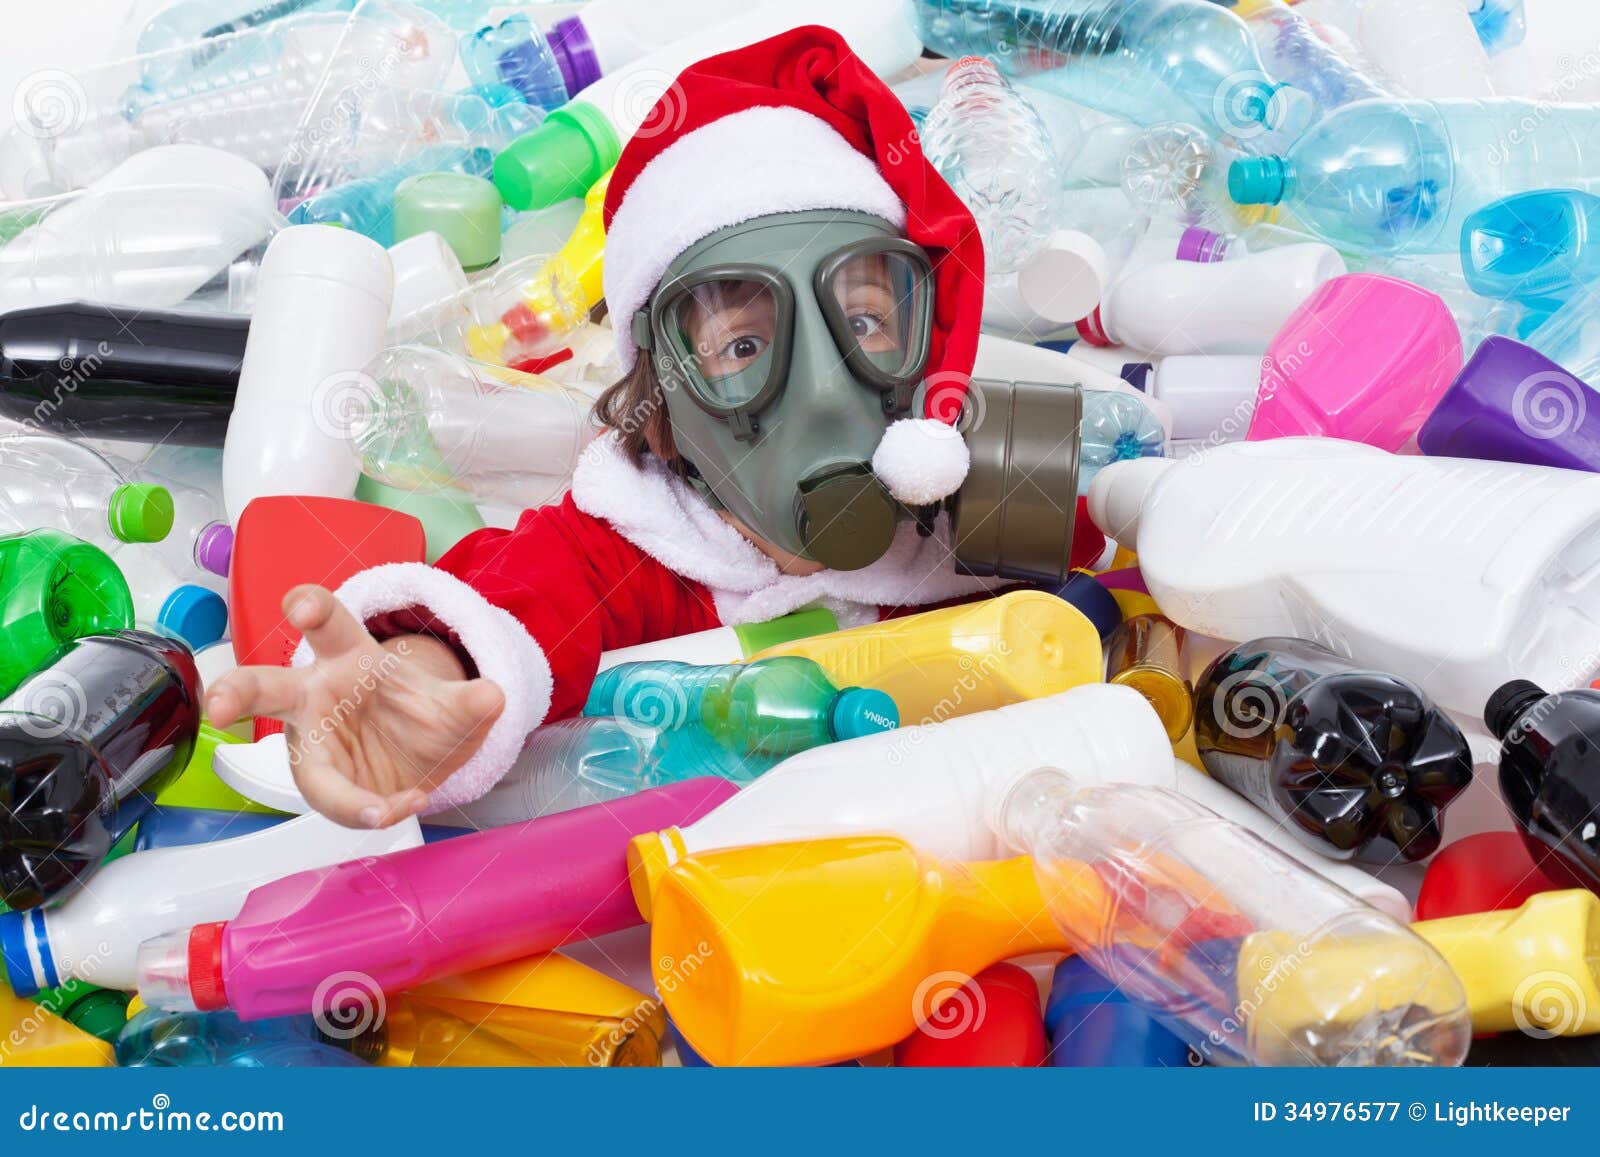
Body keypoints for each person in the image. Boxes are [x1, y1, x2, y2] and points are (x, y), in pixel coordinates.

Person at [205, 26, 1113, 828]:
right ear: (662, 410)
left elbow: (1115, 553)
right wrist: (410, 684)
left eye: (867, 320)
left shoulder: (971, 520)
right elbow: (502, 609)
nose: (828, 384)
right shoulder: (626, 554)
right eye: (744, 342)